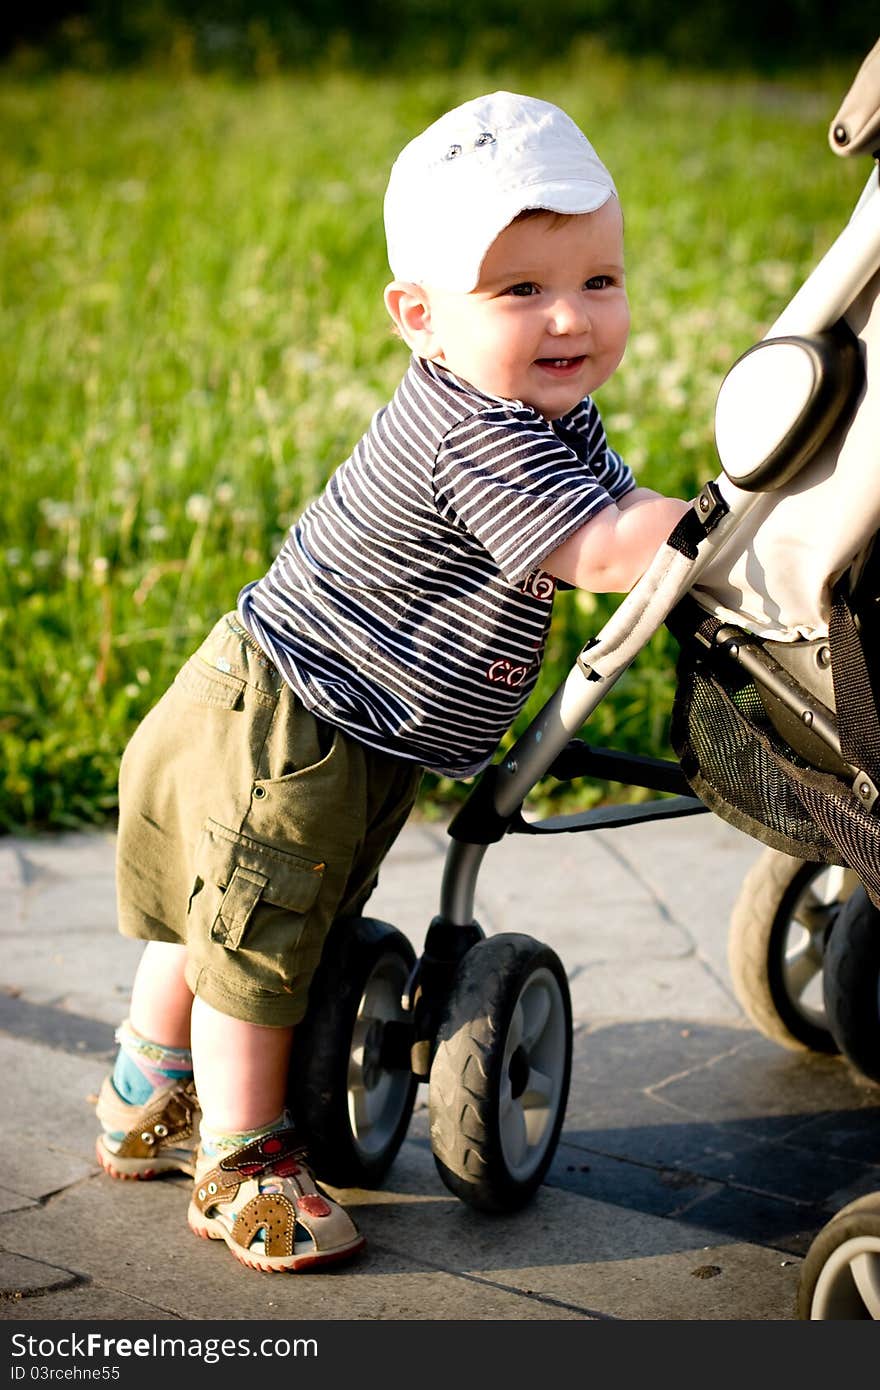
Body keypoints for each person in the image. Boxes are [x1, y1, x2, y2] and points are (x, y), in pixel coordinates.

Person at [95, 90, 690, 1273]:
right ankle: (240, 1160)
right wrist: (724, 528)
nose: (570, 316)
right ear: (419, 316)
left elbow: (612, 500)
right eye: (520, 290)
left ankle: (138, 1095)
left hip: (335, 713)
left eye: (599, 279)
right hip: (291, 720)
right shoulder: (472, 428)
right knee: (257, 947)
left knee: (216, 911)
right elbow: (601, 549)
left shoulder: (539, 405)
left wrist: (662, 512)